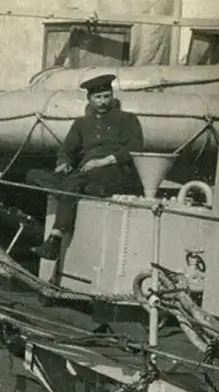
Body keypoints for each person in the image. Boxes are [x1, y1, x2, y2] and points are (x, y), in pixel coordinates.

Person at [27, 74, 144, 260]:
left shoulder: (127, 119)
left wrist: (103, 161)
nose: (103, 101)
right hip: (87, 174)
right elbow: (67, 149)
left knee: (73, 183)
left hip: (115, 171)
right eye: (98, 97)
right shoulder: (82, 124)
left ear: (112, 96)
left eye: (107, 96)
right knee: (33, 175)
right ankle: (82, 190)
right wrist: (64, 163)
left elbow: (135, 148)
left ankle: (55, 238)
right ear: (89, 99)